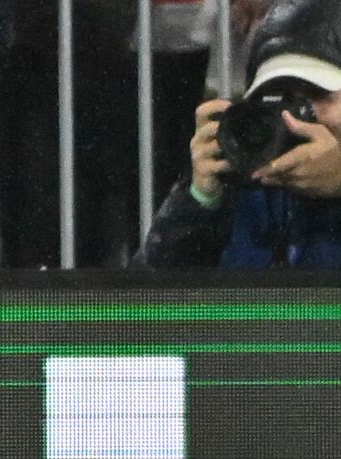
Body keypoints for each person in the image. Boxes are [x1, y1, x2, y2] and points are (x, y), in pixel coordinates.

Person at [135, 0, 341, 269]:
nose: (293, 116)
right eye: (280, 96)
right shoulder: (238, 187)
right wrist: (198, 202)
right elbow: (141, 293)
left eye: (317, 94)